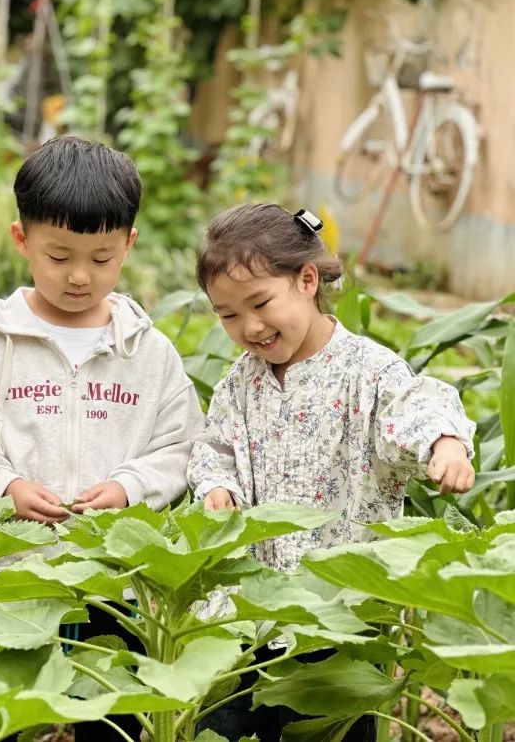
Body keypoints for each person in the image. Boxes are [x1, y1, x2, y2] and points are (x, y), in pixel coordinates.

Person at [0, 135, 203, 740]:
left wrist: (128, 488)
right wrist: (4, 485)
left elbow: (182, 445)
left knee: (116, 719)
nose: (80, 276)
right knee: (1, 720)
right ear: (21, 239)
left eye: (102, 258)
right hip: (9, 586)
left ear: (129, 245)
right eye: (59, 256)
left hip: (116, 590)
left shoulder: (149, 352)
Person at [187, 203, 476, 741]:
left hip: (335, 621)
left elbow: (414, 408)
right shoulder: (238, 383)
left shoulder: (366, 372)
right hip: (245, 618)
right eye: (227, 315)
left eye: (259, 303)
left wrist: (444, 444)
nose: (248, 326)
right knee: (222, 728)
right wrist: (217, 485)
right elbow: (214, 448)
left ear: (307, 280)